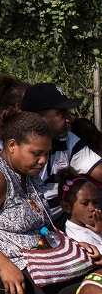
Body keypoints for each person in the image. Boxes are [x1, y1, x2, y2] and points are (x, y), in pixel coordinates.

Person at [0, 111, 102, 294]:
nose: (43, 160)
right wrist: (4, 266)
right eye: (36, 153)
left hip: (41, 261)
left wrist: (72, 245)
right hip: (8, 271)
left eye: (46, 153)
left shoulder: (26, 173)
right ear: (12, 145)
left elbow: (41, 225)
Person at [19, 83, 102, 221]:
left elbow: (99, 171)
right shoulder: (15, 149)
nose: (69, 118)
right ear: (38, 117)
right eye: (60, 113)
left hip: (58, 222)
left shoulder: (67, 139)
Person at [63, 177, 102, 248]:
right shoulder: (77, 239)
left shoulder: (97, 224)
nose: (92, 208)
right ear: (67, 207)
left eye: (95, 202)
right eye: (85, 203)